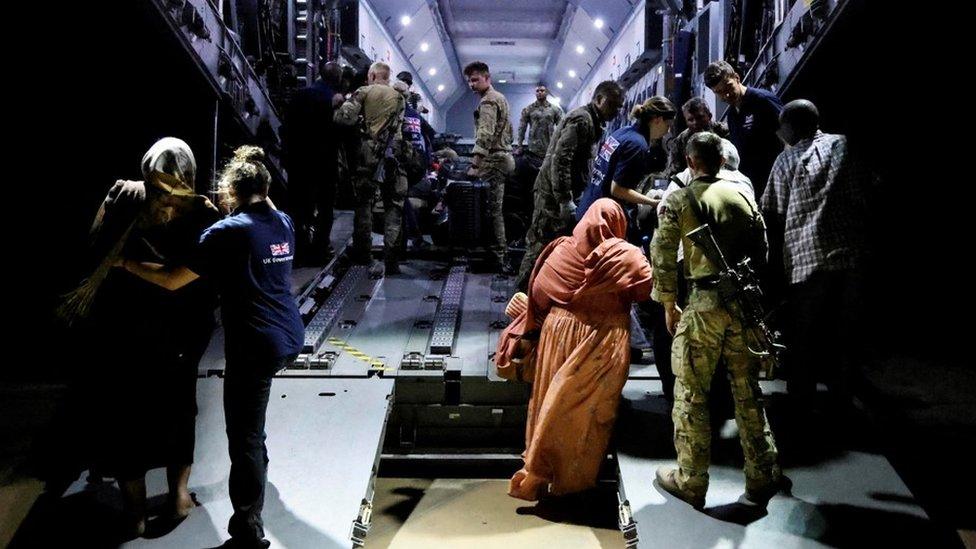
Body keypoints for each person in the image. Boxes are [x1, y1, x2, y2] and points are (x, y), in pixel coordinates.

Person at [120, 146, 304, 549]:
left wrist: (125, 264)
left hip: (255, 345)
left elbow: (171, 278)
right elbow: (261, 199)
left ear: (229, 190)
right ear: (266, 187)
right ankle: (258, 491)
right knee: (254, 431)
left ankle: (247, 531)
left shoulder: (227, 231)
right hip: (289, 337)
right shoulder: (283, 221)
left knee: (243, 439)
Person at [52, 137, 220, 537]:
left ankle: (138, 511)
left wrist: (126, 262)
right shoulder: (200, 212)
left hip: (135, 331)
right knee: (174, 411)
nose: (167, 201)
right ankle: (176, 499)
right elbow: (194, 276)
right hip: (167, 333)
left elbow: (96, 245)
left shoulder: (123, 195)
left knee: (131, 417)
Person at [650, 132, 785, 510]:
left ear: (691, 162)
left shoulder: (679, 198)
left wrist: (667, 303)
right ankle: (762, 474)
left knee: (692, 393)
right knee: (747, 392)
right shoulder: (741, 195)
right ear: (723, 161)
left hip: (703, 306)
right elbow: (762, 248)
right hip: (742, 305)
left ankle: (691, 480)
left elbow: (661, 254)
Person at [497, 198, 652, 501]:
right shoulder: (626, 256)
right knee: (589, 414)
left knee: (549, 402)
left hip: (559, 335)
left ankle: (541, 472)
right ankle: (573, 482)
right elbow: (644, 289)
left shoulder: (561, 250)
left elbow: (539, 295)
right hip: (603, 342)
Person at [762, 99, 870, 416]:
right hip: (850, 255)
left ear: (791, 126)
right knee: (845, 333)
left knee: (804, 336)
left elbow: (773, 213)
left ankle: (803, 403)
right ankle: (844, 400)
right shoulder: (843, 145)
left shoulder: (785, 160)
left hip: (806, 261)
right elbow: (862, 191)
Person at [515, 80, 624, 290]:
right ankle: (521, 294)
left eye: (619, 107)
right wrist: (564, 199)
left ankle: (537, 296)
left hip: (561, 191)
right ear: (599, 99)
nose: (616, 111)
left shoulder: (592, 120)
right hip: (552, 194)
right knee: (540, 244)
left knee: (552, 244)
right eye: (613, 105)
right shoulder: (582, 120)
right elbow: (561, 159)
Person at [334, 61, 408, 275]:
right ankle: (392, 261)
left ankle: (363, 255)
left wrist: (340, 104)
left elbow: (343, 119)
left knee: (364, 204)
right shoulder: (400, 97)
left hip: (370, 157)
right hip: (396, 156)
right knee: (394, 207)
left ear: (373, 75)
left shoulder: (364, 91)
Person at [576, 96, 676, 230]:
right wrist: (652, 202)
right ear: (658, 120)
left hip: (588, 208)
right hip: (600, 220)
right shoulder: (637, 145)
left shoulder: (623, 132)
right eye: (668, 125)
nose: (668, 131)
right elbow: (617, 189)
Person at [281, 61, 342, 265]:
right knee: (325, 209)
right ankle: (319, 252)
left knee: (298, 208)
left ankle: (297, 251)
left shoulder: (300, 95)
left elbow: (286, 126)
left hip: (298, 161)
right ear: (338, 79)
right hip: (324, 163)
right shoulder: (334, 101)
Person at [464, 60, 516, 273]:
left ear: (487, 78)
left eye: (476, 79)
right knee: (494, 209)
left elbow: (485, 134)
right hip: (503, 157)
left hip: (493, 160)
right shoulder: (500, 98)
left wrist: (475, 163)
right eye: (469, 81)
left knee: (490, 210)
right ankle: (496, 253)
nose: (472, 84)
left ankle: (498, 256)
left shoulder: (488, 101)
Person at [704, 60, 782, 197]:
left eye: (728, 87)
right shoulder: (732, 115)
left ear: (737, 78)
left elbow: (788, 139)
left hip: (776, 184)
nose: (726, 95)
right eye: (719, 92)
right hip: (752, 189)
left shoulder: (763, 101)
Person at [665, 97, 729, 177]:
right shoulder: (681, 141)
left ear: (709, 116)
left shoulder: (724, 132)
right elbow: (673, 171)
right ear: (686, 121)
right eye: (690, 120)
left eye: (700, 117)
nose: (695, 123)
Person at [516, 84, 563, 160]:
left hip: (550, 147)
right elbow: (522, 128)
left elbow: (561, 128)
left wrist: (561, 145)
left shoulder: (555, 110)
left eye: (542, 90)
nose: (539, 92)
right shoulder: (529, 109)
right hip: (533, 148)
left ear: (546, 92)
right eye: (537, 91)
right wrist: (519, 145)